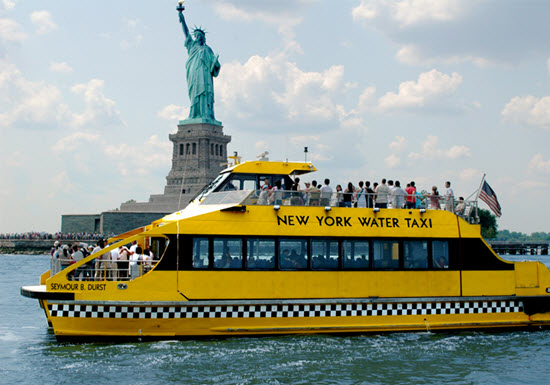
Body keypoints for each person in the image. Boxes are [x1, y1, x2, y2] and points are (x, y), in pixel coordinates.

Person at [178, 7, 221, 123]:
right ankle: (194, 114)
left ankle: (206, 114)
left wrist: (215, 62)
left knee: (205, 93)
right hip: (194, 73)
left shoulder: (207, 49)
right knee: (194, 94)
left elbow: (214, 65)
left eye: (200, 36)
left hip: (205, 75)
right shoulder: (191, 46)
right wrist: (182, 18)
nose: (197, 37)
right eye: (196, 35)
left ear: (203, 38)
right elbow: (186, 32)